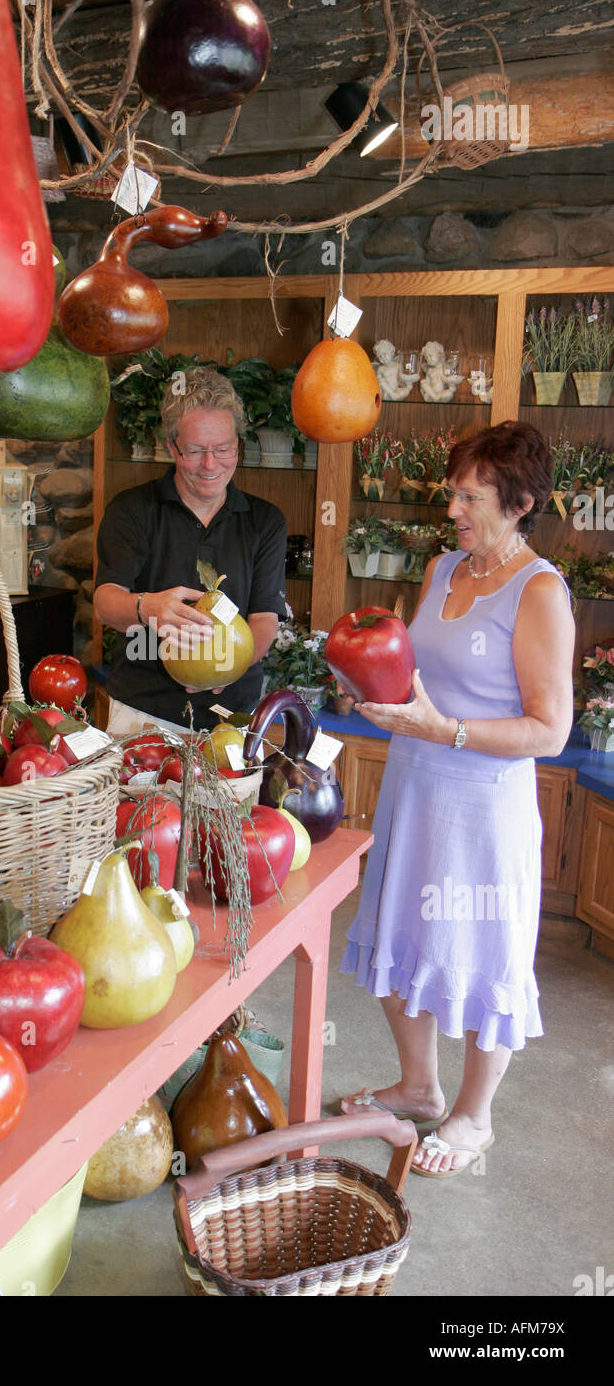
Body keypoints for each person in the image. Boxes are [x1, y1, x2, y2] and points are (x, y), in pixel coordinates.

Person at [338, 421, 575, 1177]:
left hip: (480, 806)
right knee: (400, 934)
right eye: (452, 493)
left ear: (520, 502)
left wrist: (448, 732)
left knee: (480, 953)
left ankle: (473, 1117)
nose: (452, 511)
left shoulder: (538, 590)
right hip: (413, 784)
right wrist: (367, 683)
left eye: (469, 497)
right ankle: (416, 1085)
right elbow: (416, 674)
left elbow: (549, 730)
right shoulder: (443, 568)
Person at [94, 367, 287, 734]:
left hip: (233, 716)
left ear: (238, 445)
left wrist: (232, 667)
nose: (211, 465)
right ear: (171, 447)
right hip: (142, 713)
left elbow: (264, 618)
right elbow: (105, 602)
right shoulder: (132, 510)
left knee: (237, 794)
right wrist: (148, 607)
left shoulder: (265, 522)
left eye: (224, 449)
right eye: (196, 451)